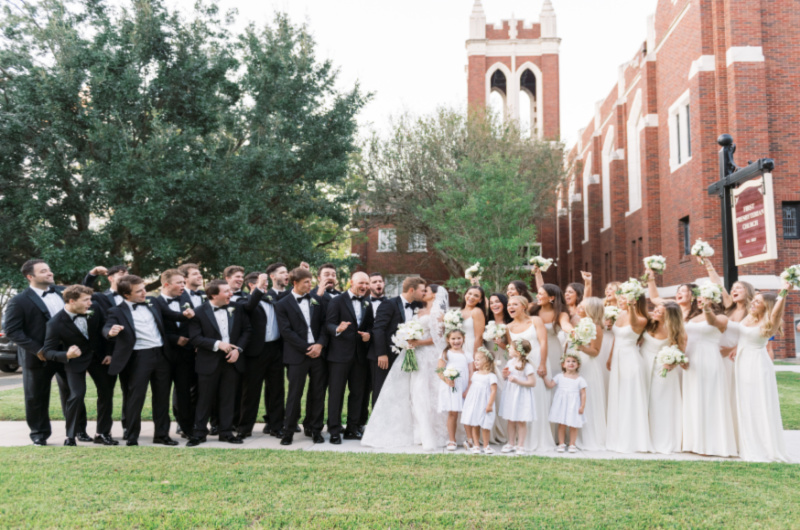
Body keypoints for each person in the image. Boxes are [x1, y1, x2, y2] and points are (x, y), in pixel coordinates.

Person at [3, 260, 87, 445]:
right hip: (37, 356)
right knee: (36, 396)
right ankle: (39, 435)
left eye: (49, 270)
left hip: (67, 354)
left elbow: (84, 296)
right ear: (30, 277)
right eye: (43, 271)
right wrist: (37, 349)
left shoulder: (62, 292)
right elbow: (12, 330)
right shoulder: (19, 301)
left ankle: (78, 430)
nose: (50, 273)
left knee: (74, 392)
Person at [103, 274, 194, 446]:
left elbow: (171, 315)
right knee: (135, 397)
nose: (144, 293)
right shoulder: (116, 311)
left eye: (144, 289)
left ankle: (161, 434)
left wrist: (185, 314)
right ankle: (131, 436)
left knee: (162, 397)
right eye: (138, 291)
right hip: (138, 357)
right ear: (126, 294)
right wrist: (111, 331)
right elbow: (107, 327)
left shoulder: (153, 302)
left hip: (161, 355)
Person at [361, 284, 449, 452]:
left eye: (427, 291)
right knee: (413, 393)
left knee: (426, 393)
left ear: (435, 295)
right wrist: (406, 339)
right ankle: (416, 432)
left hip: (428, 356)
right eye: (422, 290)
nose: (423, 293)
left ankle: (431, 433)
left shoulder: (438, 314)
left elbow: (440, 339)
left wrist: (418, 342)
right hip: (412, 353)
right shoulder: (419, 309)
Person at [41, 285, 117, 446]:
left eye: (90, 299)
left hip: (99, 358)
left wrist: (109, 353)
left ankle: (102, 433)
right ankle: (71, 436)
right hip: (75, 361)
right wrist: (66, 355)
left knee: (106, 393)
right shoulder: (55, 323)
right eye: (86, 300)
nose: (91, 303)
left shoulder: (94, 309)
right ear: (71, 301)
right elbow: (47, 351)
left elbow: (105, 328)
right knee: (76, 395)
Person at [186, 280, 251, 446]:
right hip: (208, 361)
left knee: (228, 398)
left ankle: (226, 432)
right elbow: (195, 338)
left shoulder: (237, 308)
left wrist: (238, 350)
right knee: (204, 399)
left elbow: (247, 330)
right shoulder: (198, 312)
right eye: (226, 291)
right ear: (214, 295)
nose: (231, 293)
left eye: (230, 290)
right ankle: (199, 433)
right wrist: (218, 344)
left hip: (232, 361)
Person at [732, 288, 790, 462]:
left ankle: (763, 445)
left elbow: (777, 312)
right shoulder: (750, 317)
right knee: (745, 402)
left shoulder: (769, 323)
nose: (753, 303)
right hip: (742, 361)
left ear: (767, 307)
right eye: (754, 300)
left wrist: (784, 292)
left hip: (757, 364)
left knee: (758, 403)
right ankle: (746, 441)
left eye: (758, 302)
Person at [274, 267, 329, 446]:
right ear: (295, 283)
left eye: (310, 281)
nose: (310, 285)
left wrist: (319, 345)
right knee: (294, 394)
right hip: (297, 355)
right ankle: (288, 431)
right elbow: (286, 332)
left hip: (318, 355)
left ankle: (315, 429)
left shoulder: (316, 300)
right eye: (306, 282)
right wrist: (308, 348)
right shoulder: (282, 304)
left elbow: (324, 325)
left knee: (318, 393)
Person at [682, 290, 738, 457]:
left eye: (704, 298)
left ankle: (712, 444)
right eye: (699, 298)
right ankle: (694, 441)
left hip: (709, 359)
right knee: (693, 398)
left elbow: (713, 322)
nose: (700, 300)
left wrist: (707, 309)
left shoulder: (722, 318)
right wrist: (681, 356)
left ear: (714, 299)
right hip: (691, 360)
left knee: (709, 397)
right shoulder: (692, 319)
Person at [324, 272, 373, 443]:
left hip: (360, 356)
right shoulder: (337, 300)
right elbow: (328, 324)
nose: (364, 287)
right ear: (351, 282)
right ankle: (334, 430)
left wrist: (369, 335)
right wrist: (338, 328)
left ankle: (352, 428)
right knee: (336, 393)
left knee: (357, 394)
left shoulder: (367, 302)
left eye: (367, 284)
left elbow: (370, 327)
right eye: (361, 283)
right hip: (339, 356)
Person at [239, 268, 287, 438]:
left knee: (276, 390)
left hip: (275, 349)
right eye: (263, 284)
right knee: (251, 392)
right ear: (253, 285)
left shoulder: (273, 298)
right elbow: (250, 306)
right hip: (255, 352)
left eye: (266, 284)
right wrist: (259, 288)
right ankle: (244, 428)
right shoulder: (244, 301)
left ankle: (276, 426)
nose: (267, 287)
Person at [605, 290, 653, 454]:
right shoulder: (619, 315)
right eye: (621, 297)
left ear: (634, 300)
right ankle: (616, 437)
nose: (620, 300)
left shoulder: (641, 318)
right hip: (618, 359)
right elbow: (615, 338)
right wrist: (610, 357)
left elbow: (633, 324)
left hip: (630, 361)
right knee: (618, 397)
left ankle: (632, 440)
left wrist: (631, 308)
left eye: (624, 297)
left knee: (629, 398)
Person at [505, 295, 553, 453]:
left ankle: (537, 439)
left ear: (524, 306)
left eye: (515, 304)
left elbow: (544, 341)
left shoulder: (535, 321)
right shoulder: (508, 327)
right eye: (509, 305)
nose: (510, 307)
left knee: (538, 398)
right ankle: (518, 442)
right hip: (520, 368)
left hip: (537, 362)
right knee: (523, 400)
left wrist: (542, 363)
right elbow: (511, 350)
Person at [368, 276, 426, 405]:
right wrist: (381, 354)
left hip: (406, 355)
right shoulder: (389, 304)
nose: (424, 293)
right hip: (386, 356)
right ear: (412, 290)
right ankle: (378, 424)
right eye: (422, 290)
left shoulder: (419, 306)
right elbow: (378, 329)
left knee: (401, 391)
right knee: (382, 390)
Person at [154, 269, 196, 440]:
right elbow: (155, 328)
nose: (183, 285)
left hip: (185, 356)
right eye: (179, 282)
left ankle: (187, 428)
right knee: (161, 395)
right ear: (166, 284)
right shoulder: (154, 303)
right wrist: (174, 339)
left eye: (183, 282)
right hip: (163, 355)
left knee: (185, 394)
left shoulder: (186, 299)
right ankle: (161, 432)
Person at [641, 301, 685, 454]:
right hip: (644, 365)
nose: (655, 313)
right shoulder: (648, 324)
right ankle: (643, 438)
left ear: (669, 316)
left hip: (662, 371)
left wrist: (671, 364)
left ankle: (660, 440)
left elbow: (680, 354)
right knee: (643, 402)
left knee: (659, 404)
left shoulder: (677, 332)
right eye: (656, 310)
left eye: (660, 312)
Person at [571, 297, 606, 452]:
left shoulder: (596, 327)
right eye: (579, 305)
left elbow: (595, 352)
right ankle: (571, 436)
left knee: (586, 400)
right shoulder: (579, 323)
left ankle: (588, 437)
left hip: (587, 364)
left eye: (582, 306)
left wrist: (581, 347)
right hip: (575, 360)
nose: (578, 307)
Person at [543, 352, 587, 454]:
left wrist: (582, 406)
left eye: (573, 361)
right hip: (561, 405)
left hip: (574, 405)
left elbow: (583, 394)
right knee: (561, 424)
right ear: (563, 364)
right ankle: (561, 443)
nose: (571, 363)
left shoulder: (580, 379)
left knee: (573, 425)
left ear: (578, 365)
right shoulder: (559, 376)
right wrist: (544, 377)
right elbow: (550, 385)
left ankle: (572, 444)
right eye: (568, 361)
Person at [500, 338, 537, 456]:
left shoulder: (527, 366)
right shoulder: (510, 362)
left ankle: (520, 444)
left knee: (521, 421)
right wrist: (505, 375)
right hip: (511, 394)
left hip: (522, 396)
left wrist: (517, 380)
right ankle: (511, 443)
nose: (508, 349)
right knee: (511, 420)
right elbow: (506, 378)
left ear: (518, 351)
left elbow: (532, 383)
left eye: (510, 347)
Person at [360, 272, 386, 428]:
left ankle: (379, 423)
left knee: (380, 388)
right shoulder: (361, 302)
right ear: (369, 285)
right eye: (374, 281)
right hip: (361, 351)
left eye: (380, 281)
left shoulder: (391, 303)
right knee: (362, 389)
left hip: (382, 353)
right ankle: (361, 423)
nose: (378, 284)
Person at [437, 329, 470, 451]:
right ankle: (452, 440)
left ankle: (470, 439)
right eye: (453, 339)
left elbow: (471, 372)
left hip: (464, 387)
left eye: (458, 338)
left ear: (463, 339)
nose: (456, 341)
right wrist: (447, 381)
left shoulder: (467, 354)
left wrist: (469, 388)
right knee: (452, 413)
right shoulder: (445, 354)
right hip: (451, 387)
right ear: (448, 340)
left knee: (467, 413)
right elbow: (440, 371)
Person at [460, 347, 498, 454]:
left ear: (486, 361)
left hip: (485, 403)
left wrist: (490, 404)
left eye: (478, 360)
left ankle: (486, 445)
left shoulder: (491, 376)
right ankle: (476, 445)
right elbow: (473, 389)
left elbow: (493, 391)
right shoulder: (475, 375)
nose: (475, 362)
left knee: (485, 425)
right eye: (475, 359)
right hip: (474, 403)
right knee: (474, 423)